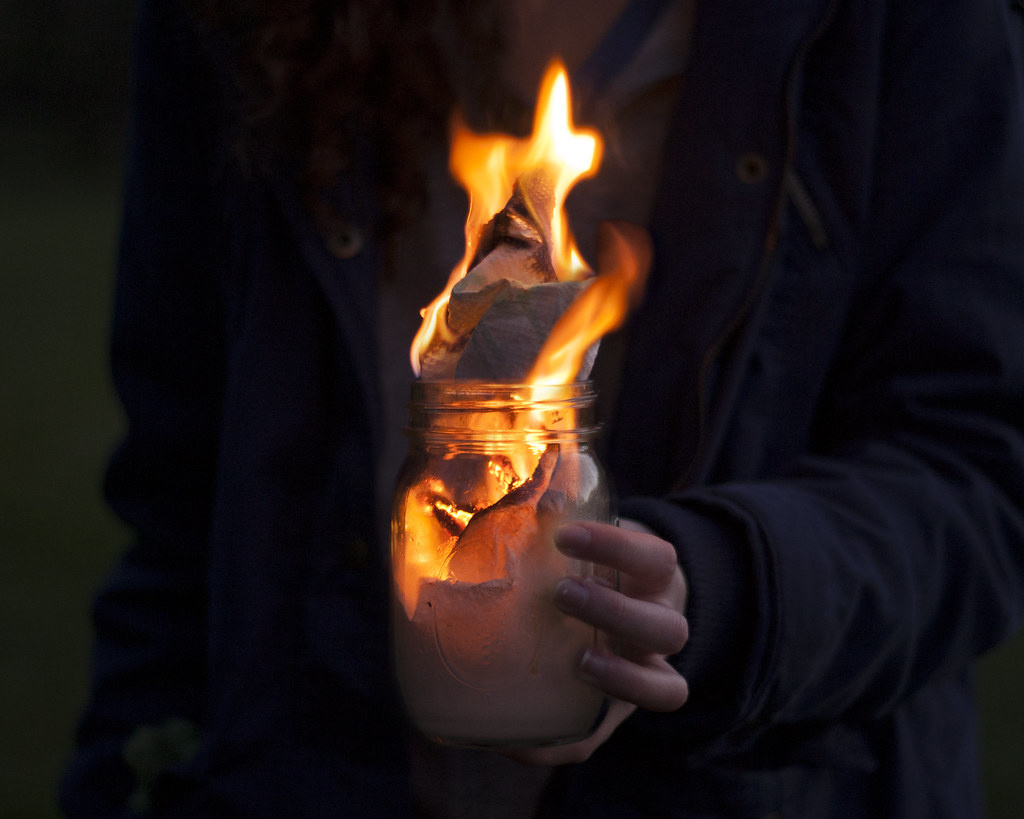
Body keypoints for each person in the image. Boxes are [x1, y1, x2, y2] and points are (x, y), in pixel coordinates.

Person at [61, 0, 1024, 816]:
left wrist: (723, 590)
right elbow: (181, 510)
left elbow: (973, 468)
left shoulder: (902, 24)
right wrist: (128, 774)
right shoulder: (240, 19)